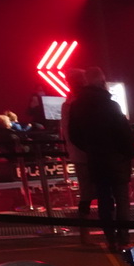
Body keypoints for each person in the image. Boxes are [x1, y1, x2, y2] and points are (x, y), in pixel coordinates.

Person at [67, 66, 134, 250]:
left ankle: (110, 239)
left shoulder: (76, 105)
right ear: (102, 82)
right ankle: (124, 238)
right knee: (122, 200)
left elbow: (74, 135)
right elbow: (123, 133)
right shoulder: (111, 105)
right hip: (117, 159)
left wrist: (90, 149)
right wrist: (128, 153)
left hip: (95, 159)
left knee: (104, 202)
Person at [60, 69, 98, 246]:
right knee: (94, 193)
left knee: (86, 194)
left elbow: (67, 133)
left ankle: (86, 233)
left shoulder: (68, 103)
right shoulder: (78, 103)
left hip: (79, 153)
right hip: (89, 153)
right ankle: (91, 233)